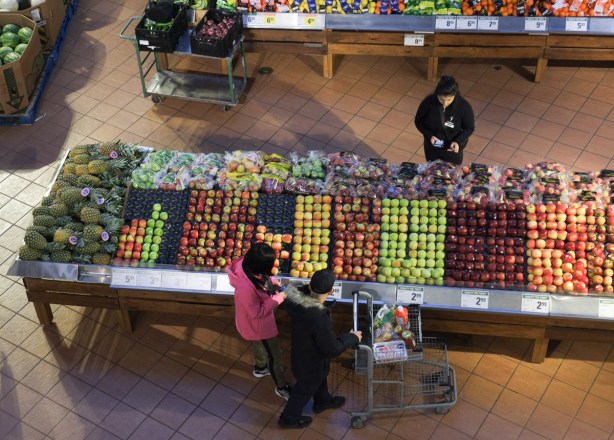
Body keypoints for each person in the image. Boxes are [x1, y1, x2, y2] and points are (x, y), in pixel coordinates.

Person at [278, 269, 362, 429]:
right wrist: (352, 337)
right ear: (331, 291)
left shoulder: (296, 300)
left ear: (310, 285)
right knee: (303, 390)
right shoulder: (318, 317)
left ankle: (322, 401)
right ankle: (288, 418)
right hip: (312, 361)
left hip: (302, 354)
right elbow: (331, 348)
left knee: (319, 378)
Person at [228, 242, 291, 399]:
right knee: (274, 356)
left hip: (252, 323)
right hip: (258, 325)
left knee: (258, 344)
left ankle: (261, 368)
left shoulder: (247, 264)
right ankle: (282, 387)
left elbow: (265, 278)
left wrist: (274, 284)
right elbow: (257, 313)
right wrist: (279, 297)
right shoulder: (245, 288)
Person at [415, 75, 475, 165]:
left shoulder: (463, 107)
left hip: (452, 148)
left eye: (449, 100)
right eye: (441, 99)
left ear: (455, 94)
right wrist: (430, 136)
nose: (445, 103)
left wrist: (457, 142)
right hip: (433, 146)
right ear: (437, 94)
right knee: (432, 172)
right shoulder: (428, 103)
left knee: (452, 174)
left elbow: (469, 128)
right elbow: (418, 121)